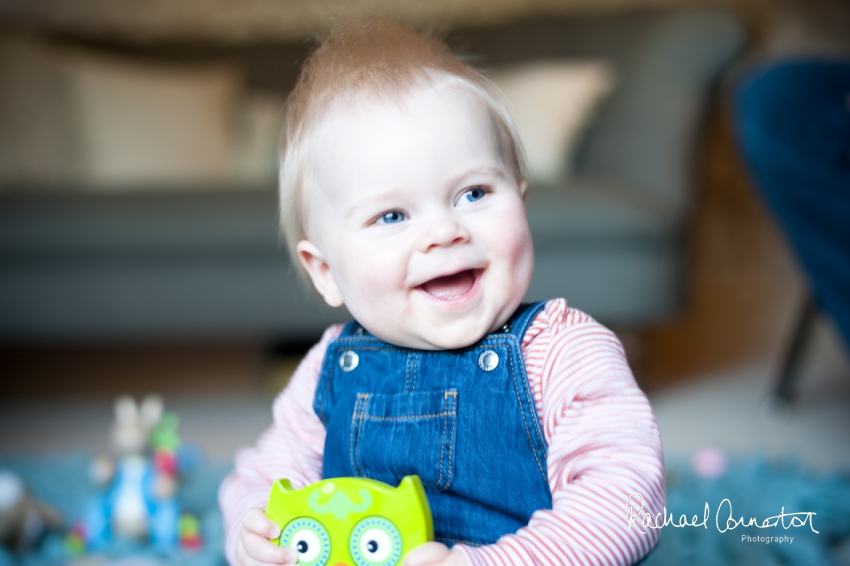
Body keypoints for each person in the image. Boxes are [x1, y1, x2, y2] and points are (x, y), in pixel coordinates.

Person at [219, 19, 664, 566]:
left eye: (474, 192)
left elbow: (625, 499)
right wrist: (251, 530)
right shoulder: (328, 368)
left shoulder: (562, 353)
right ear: (326, 271)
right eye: (392, 215)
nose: (443, 232)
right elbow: (264, 477)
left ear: (521, 201)